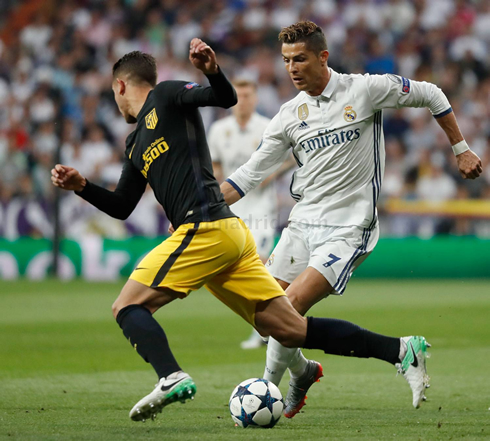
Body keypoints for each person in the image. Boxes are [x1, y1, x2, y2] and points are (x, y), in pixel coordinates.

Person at [52, 39, 431, 424]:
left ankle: (170, 376)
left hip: (205, 228)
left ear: (120, 86)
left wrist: (211, 69)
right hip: (228, 236)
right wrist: (82, 185)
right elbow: (121, 205)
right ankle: (399, 350)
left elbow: (224, 98)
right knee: (287, 328)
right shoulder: (135, 144)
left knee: (127, 306)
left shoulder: (166, 95)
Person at [221, 21, 483, 418]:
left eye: (300, 59)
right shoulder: (289, 115)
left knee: (287, 309)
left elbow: (432, 93)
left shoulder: (363, 90)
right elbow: (248, 175)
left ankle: (266, 391)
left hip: (349, 227)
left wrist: (461, 149)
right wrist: (198, 209)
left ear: (323, 57)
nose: (292, 68)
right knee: (265, 319)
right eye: (286, 61)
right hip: (301, 224)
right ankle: (336, 364)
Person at [208, 78, 292, 349]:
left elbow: (289, 155)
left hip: (261, 209)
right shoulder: (219, 130)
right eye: (239, 96)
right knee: (237, 271)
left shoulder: (267, 126)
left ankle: (266, 329)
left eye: (247, 96)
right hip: (231, 210)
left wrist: (273, 172)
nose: (242, 101)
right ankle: (266, 324)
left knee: (262, 265)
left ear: (255, 99)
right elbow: (215, 165)